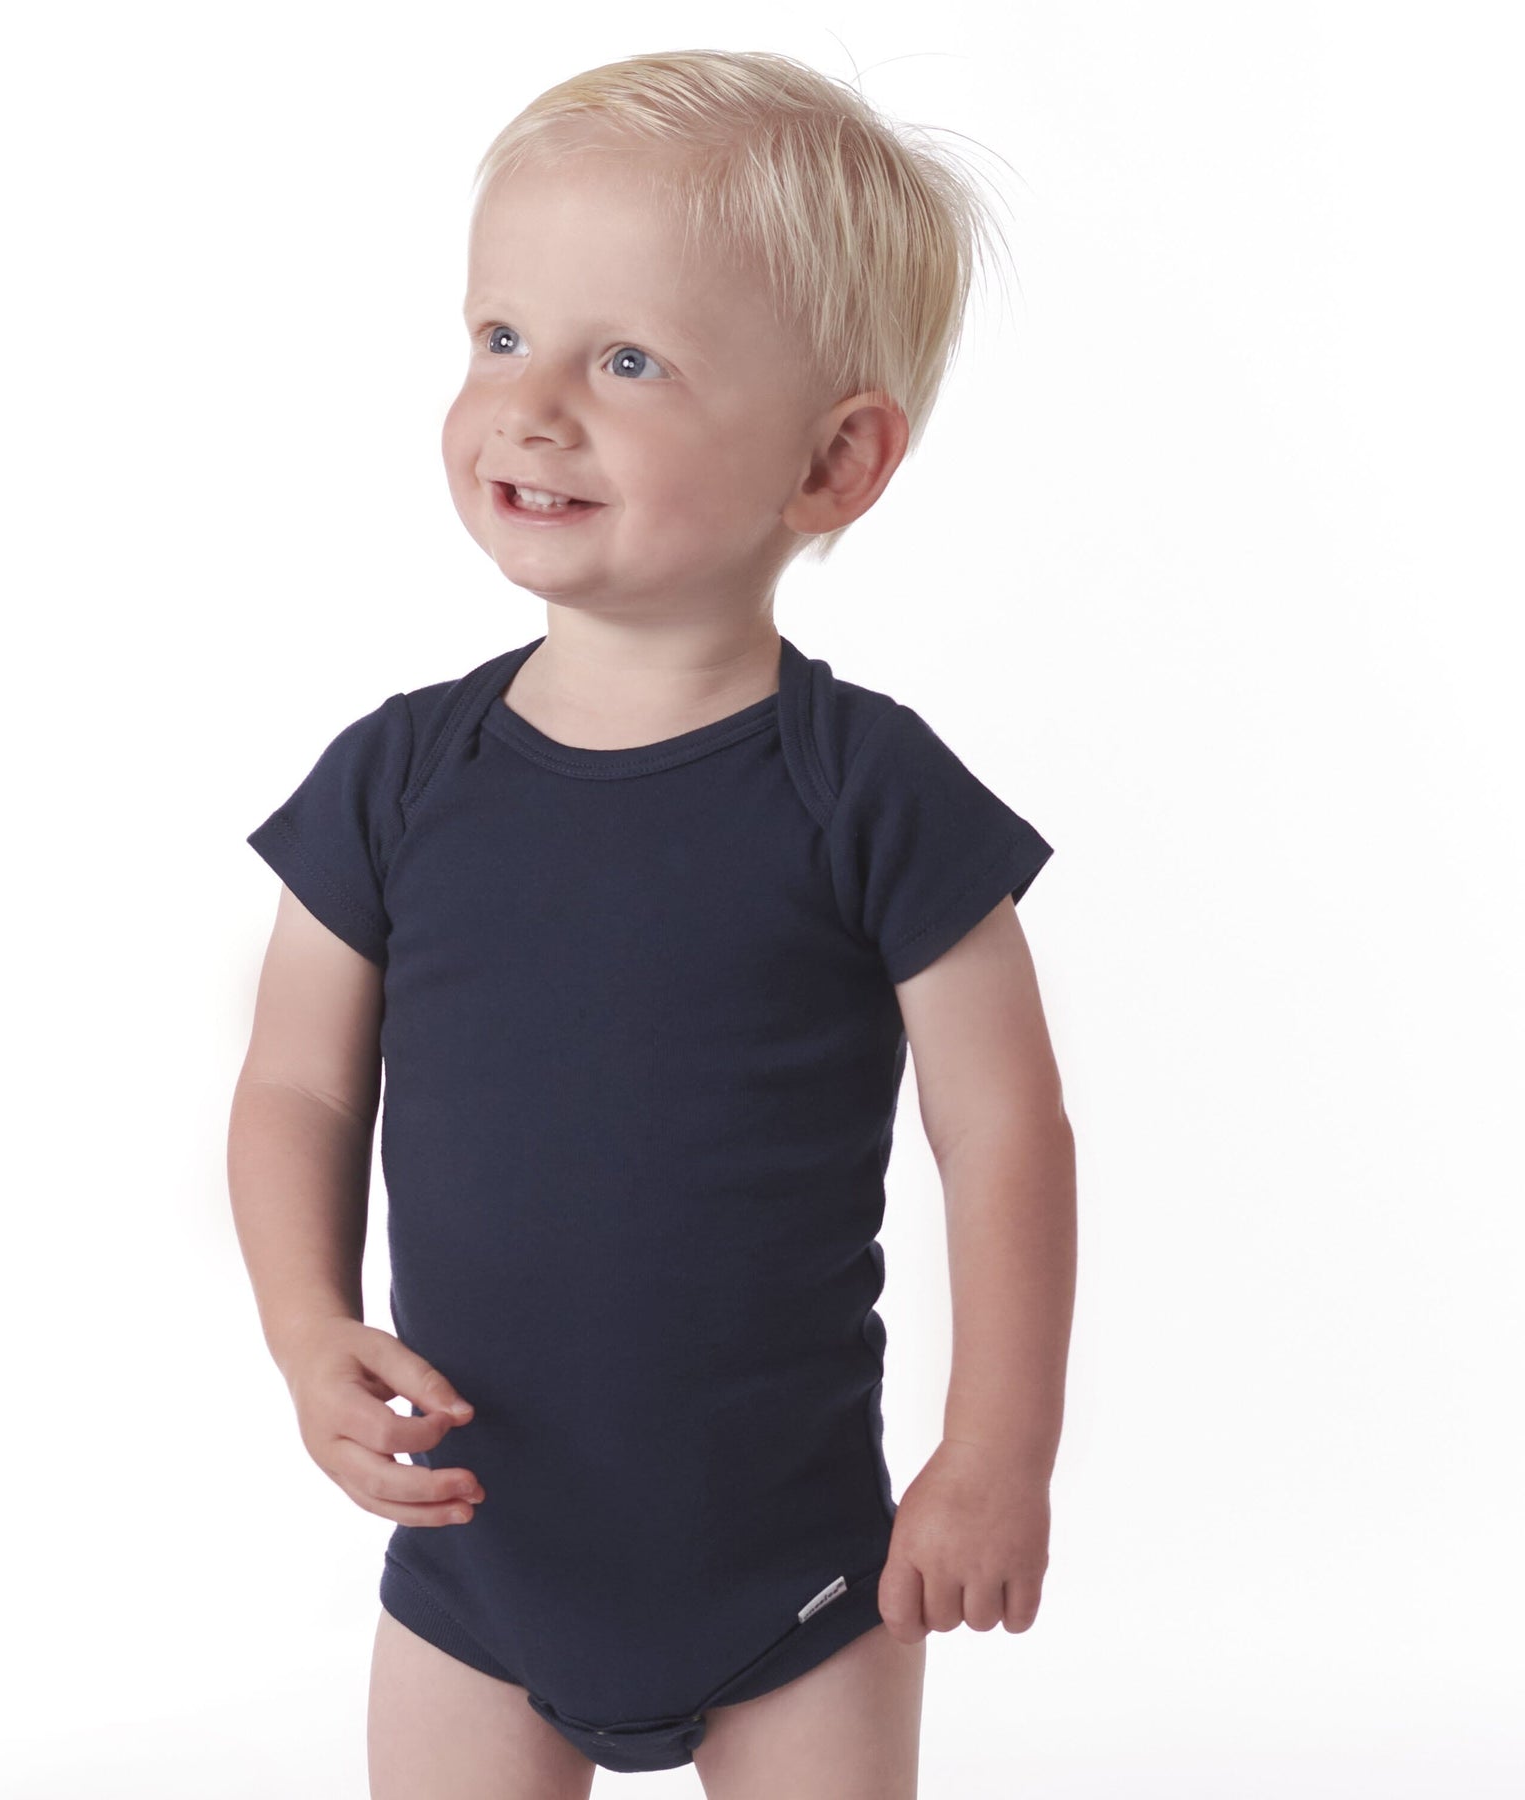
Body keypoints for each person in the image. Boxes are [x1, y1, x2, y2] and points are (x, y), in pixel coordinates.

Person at [229, 47, 1077, 1800]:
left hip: (806, 1584)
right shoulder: (396, 779)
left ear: (834, 460)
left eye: (626, 361)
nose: (531, 407)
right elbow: (296, 1089)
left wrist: (996, 1454)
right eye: (500, 336)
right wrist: (307, 1330)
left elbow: (1004, 1129)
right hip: (475, 1568)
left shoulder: (868, 790)